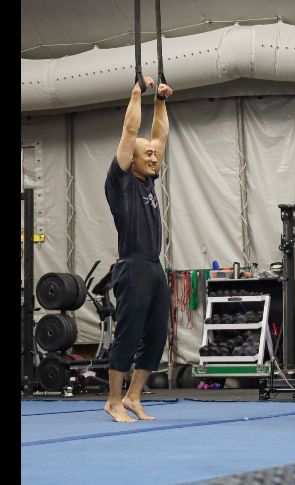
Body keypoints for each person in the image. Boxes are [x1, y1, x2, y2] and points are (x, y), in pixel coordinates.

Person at [103, 76, 173, 422]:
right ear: (129, 159)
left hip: (154, 266)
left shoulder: (148, 181)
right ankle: (113, 401)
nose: (154, 156)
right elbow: (130, 131)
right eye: (146, 154)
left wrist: (160, 102)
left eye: (154, 155)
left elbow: (159, 136)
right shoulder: (121, 182)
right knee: (128, 335)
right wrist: (136, 94)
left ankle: (133, 396)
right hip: (131, 267)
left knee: (157, 335)